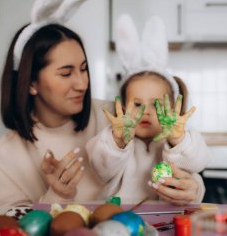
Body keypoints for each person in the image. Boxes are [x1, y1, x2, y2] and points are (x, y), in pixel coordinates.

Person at [0, 0, 110, 207]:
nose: (82, 83)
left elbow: (163, 162)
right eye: (66, 73)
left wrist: (193, 184)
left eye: (83, 69)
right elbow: (15, 229)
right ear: (32, 83)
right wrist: (57, 195)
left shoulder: (112, 117)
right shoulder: (5, 156)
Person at [86, 15, 210, 206]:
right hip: (117, 219)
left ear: (172, 108)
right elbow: (100, 168)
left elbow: (197, 162)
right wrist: (118, 140)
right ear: (123, 107)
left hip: (167, 219)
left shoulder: (182, 140)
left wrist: (177, 139)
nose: (146, 112)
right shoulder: (112, 140)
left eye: (156, 104)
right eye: (137, 104)